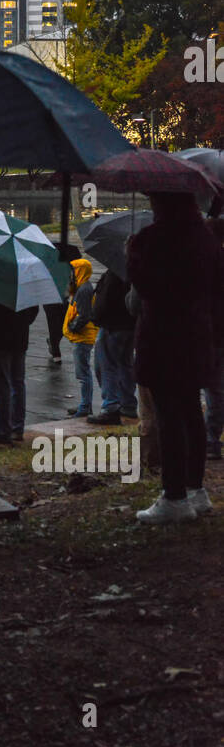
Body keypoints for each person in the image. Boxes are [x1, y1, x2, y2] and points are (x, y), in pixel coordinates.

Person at [127, 193, 224, 524]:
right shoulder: (205, 238)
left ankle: (174, 496)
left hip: (165, 339)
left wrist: (132, 256)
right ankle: (196, 489)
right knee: (191, 410)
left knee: (168, 415)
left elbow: (149, 289)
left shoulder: (155, 239)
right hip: (198, 335)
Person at [89, 268, 137, 425]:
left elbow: (104, 301)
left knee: (107, 365)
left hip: (112, 326)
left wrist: (96, 317)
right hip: (130, 326)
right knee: (126, 364)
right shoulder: (135, 271)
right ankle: (128, 404)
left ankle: (110, 407)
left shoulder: (114, 273)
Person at [0, 299, 37, 443]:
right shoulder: (25, 286)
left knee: (1, 385)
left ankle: (1, 430)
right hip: (20, 339)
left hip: (0, 340)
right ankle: (17, 428)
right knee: (17, 383)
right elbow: (33, 310)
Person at [64, 258, 98, 417]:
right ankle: (84, 405)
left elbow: (84, 315)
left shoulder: (84, 290)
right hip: (80, 337)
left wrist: (73, 327)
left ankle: (85, 407)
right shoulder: (80, 288)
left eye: (73, 271)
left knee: (83, 374)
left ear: (80, 271)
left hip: (83, 338)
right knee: (82, 373)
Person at [202, 217, 224, 461]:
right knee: (216, 391)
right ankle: (212, 439)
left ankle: (203, 439)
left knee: (186, 389)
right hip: (219, 334)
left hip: (203, 332)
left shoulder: (201, 263)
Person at [43, 241, 81, 365]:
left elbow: (73, 281)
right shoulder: (48, 266)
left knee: (63, 326)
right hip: (50, 298)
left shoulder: (69, 266)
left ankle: (53, 342)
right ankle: (55, 350)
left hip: (65, 299)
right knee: (54, 324)